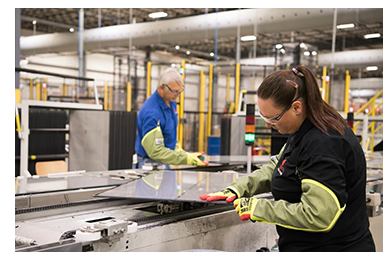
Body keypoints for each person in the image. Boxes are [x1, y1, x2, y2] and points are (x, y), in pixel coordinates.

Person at [200, 65, 376, 252]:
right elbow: (279, 167)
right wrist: (239, 189)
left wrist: (258, 208)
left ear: (297, 107)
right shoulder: (304, 129)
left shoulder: (323, 144)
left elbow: (318, 215)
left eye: (274, 118)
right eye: (264, 117)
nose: (268, 125)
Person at [134, 67, 208, 169]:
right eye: (174, 91)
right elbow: (155, 151)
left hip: (165, 161)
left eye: (179, 91)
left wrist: (179, 150)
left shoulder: (170, 101)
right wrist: (186, 158)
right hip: (149, 165)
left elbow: (170, 132)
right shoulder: (151, 113)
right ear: (161, 87)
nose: (177, 95)